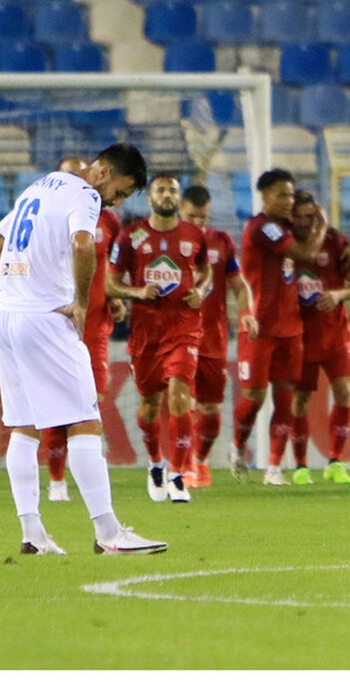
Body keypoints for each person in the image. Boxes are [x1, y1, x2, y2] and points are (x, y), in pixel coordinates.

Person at [0, 142, 167, 555]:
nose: (116, 202)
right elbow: (83, 245)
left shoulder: (39, 187)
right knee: (85, 420)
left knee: (25, 427)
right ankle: (109, 533)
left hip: (10, 319)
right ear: (102, 172)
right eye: (120, 191)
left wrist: (6, 292)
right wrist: (81, 303)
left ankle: (33, 533)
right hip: (49, 319)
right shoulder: (84, 195)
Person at [107, 173, 211, 504]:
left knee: (180, 398)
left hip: (184, 328)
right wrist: (136, 291)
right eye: (160, 190)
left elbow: (205, 271)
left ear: (178, 200)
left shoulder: (194, 235)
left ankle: (179, 475)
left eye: (172, 191)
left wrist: (200, 290)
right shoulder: (131, 237)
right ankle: (155, 464)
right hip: (147, 333)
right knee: (150, 406)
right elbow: (111, 283)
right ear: (149, 198)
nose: (166, 195)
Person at [229, 168, 327, 486]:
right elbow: (304, 252)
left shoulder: (286, 227)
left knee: (285, 399)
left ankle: (274, 468)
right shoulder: (260, 228)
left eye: (291, 194)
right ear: (265, 195)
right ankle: (237, 446)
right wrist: (322, 225)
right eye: (282, 194)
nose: (288, 200)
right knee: (254, 399)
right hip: (259, 326)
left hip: (291, 327)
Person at [39, 155, 126, 503]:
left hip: (95, 324)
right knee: (55, 404)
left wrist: (114, 297)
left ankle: (89, 487)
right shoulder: (50, 216)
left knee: (91, 402)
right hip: (59, 318)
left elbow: (107, 268)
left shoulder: (111, 221)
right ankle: (57, 481)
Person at [181, 185, 257, 489]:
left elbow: (239, 285)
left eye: (202, 218)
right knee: (181, 403)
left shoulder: (221, 242)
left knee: (211, 411)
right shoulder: (170, 243)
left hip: (213, 339)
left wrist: (246, 312)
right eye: (191, 217)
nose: (198, 224)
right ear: (180, 212)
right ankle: (182, 464)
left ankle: (200, 461)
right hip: (179, 336)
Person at [290, 190, 350, 485]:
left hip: (335, 332)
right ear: (293, 217)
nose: (309, 221)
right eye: (303, 216)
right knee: (300, 398)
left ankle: (335, 461)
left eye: (314, 216)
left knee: (344, 392)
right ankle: (301, 465)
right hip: (300, 334)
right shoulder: (285, 245)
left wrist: (339, 294)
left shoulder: (337, 243)